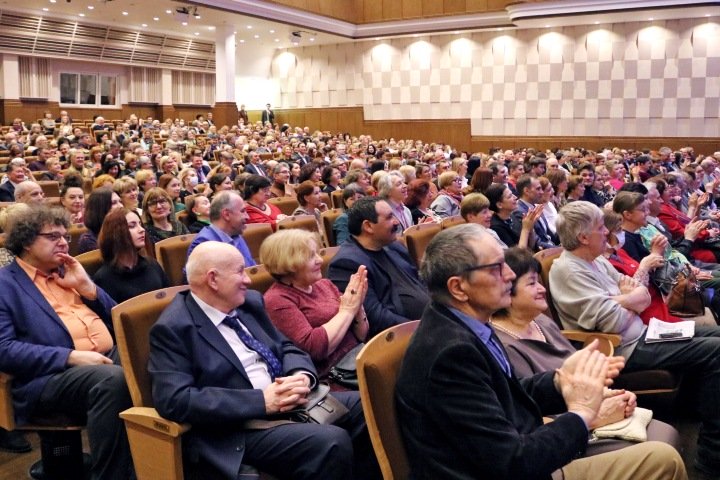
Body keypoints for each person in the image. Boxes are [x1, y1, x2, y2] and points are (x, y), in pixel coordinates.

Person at [395, 224, 687, 480]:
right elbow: (512, 464)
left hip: (518, 451)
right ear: (458, 288)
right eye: (496, 267)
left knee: (659, 449)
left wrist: (561, 381)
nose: (510, 274)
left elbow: (504, 393)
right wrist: (582, 414)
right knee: (663, 460)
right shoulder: (450, 354)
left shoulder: (467, 323)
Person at [148, 241, 379, 480]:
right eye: (240, 271)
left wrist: (301, 375)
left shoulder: (250, 303)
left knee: (369, 405)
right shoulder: (173, 329)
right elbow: (174, 400)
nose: (248, 279)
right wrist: (261, 401)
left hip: (289, 402)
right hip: (238, 427)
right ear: (213, 279)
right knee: (331, 441)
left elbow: (287, 347)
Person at [550, 200, 720, 475]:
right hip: (623, 347)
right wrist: (629, 300)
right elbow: (615, 318)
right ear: (583, 236)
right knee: (716, 350)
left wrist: (625, 299)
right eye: (601, 227)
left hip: (644, 332)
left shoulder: (596, 261)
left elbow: (638, 292)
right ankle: (712, 455)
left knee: (716, 334)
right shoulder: (568, 269)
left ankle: (699, 411)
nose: (607, 232)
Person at [491, 247, 680, 455]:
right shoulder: (505, 347)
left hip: (586, 407)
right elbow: (531, 417)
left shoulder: (540, 321)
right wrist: (593, 416)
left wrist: (610, 395)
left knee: (666, 434)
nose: (543, 289)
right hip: (563, 432)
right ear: (507, 291)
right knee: (663, 449)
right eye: (532, 283)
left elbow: (577, 377)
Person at [0, 205, 134, 480]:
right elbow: (4, 349)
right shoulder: (6, 285)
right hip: (47, 377)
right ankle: (112, 475)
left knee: (152, 356)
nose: (63, 241)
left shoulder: (68, 272)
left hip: (102, 359)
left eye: (65, 236)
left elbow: (121, 319)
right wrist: (70, 357)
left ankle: (161, 460)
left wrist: (88, 289)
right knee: (112, 380)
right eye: (53, 236)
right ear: (26, 241)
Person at [261, 229, 368, 383]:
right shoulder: (277, 300)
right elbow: (315, 349)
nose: (320, 260)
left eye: (317, 253)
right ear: (289, 263)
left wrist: (358, 307)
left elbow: (361, 335)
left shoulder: (324, 284)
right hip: (333, 378)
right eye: (311, 256)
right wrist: (347, 310)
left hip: (358, 359)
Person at [328, 197, 429, 338]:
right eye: (389, 217)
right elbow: (376, 317)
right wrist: (423, 329)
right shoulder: (346, 264)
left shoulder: (394, 246)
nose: (396, 221)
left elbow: (420, 281)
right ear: (368, 226)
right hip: (401, 338)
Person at [93, 208, 169, 304]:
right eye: (132, 226)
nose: (141, 230)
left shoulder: (152, 265)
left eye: (140, 224)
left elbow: (170, 299)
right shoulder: (104, 278)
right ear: (116, 233)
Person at [186, 191, 256, 267]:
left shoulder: (235, 233)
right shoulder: (204, 244)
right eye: (242, 211)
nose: (247, 217)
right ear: (226, 214)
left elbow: (251, 269)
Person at [78, 187, 123, 254]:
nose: (121, 206)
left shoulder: (121, 229)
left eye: (120, 201)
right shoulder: (88, 240)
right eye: (114, 203)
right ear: (101, 208)